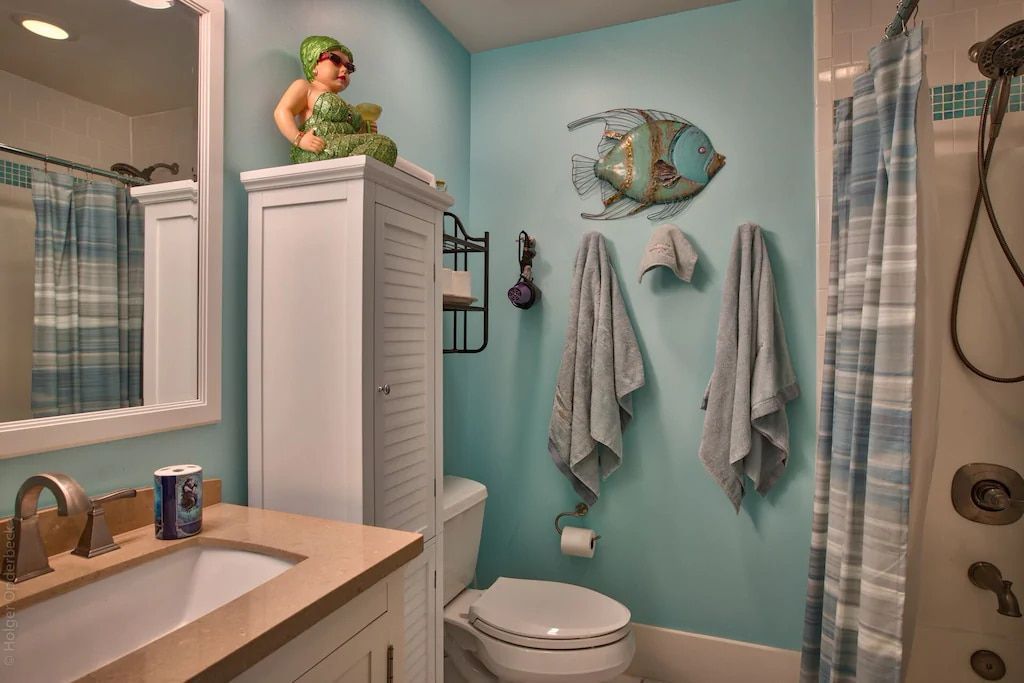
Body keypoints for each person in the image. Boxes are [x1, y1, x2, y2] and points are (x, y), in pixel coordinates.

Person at [274, 35, 397, 166]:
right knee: (384, 144)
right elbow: (282, 111)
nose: (344, 70)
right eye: (336, 60)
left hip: (339, 149)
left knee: (384, 145)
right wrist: (300, 139)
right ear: (314, 63)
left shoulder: (344, 103)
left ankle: (352, 175)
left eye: (349, 68)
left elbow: (348, 133)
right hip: (318, 148)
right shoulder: (306, 87)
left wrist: (364, 128)